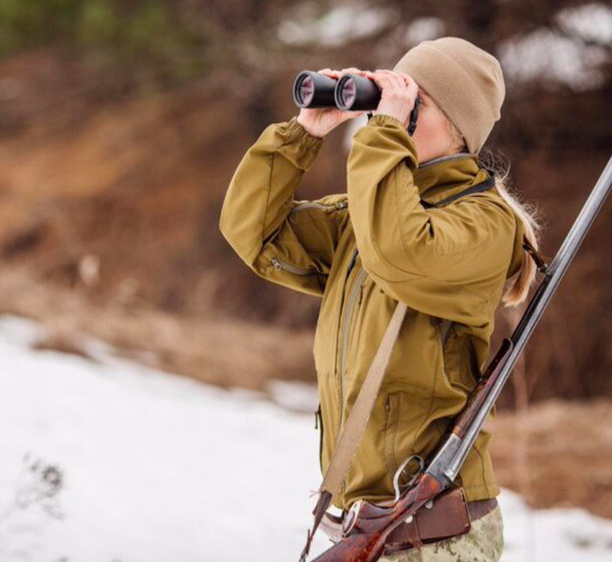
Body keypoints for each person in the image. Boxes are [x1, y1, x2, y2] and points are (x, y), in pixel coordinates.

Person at [219, 36, 542, 561]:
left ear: (459, 128)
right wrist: (302, 135)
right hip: (373, 524)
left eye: (417, 103)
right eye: (392, 98)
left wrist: (384, 136)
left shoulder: (484, 223)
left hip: (437, 531)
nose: (393, 113)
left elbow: (399, 255)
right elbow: (252, 231)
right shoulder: (369, 212)